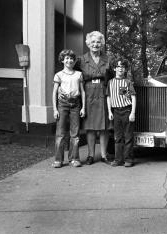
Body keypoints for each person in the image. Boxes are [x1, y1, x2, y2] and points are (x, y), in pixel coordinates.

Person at [78, 31, 112, 165]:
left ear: (102, 43)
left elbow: (114, 77)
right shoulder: (81, 60)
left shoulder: (108, 59)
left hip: (103, 93)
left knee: (104, 127)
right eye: (93, 42)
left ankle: (104, 155)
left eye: (98, 42)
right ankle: (90, 155)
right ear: (88, 44)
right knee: (90, 127)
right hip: (88, 94)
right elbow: (73, 75)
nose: (95, 44)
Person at [52, 49, 85, 168]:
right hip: (63, 104)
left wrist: (83, 107)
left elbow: (82, 91)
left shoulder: (78, 74)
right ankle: (58, 159)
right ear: (62, 60)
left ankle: (74, 158)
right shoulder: (59, 75)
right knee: (60, 134)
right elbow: (55, 92)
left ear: (74, 61)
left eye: (71, 58)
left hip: (76, 104)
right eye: (66, 58)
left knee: (75, 134)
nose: (69, 60)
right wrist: (55, 109)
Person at [106, 59, 137, 167]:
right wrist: (110, 111)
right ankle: (118, 159)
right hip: (116, 112)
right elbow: (108, 97)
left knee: (128, 136)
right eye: (118, 66)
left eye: (122, 67)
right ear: (114, 68)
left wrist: (132, 112)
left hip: (127, 110)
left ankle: (128, 159)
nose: (120, 68)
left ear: (125, 69)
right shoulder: (110, 82)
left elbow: (133, 97)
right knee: (117, 137)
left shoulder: (127, 82)